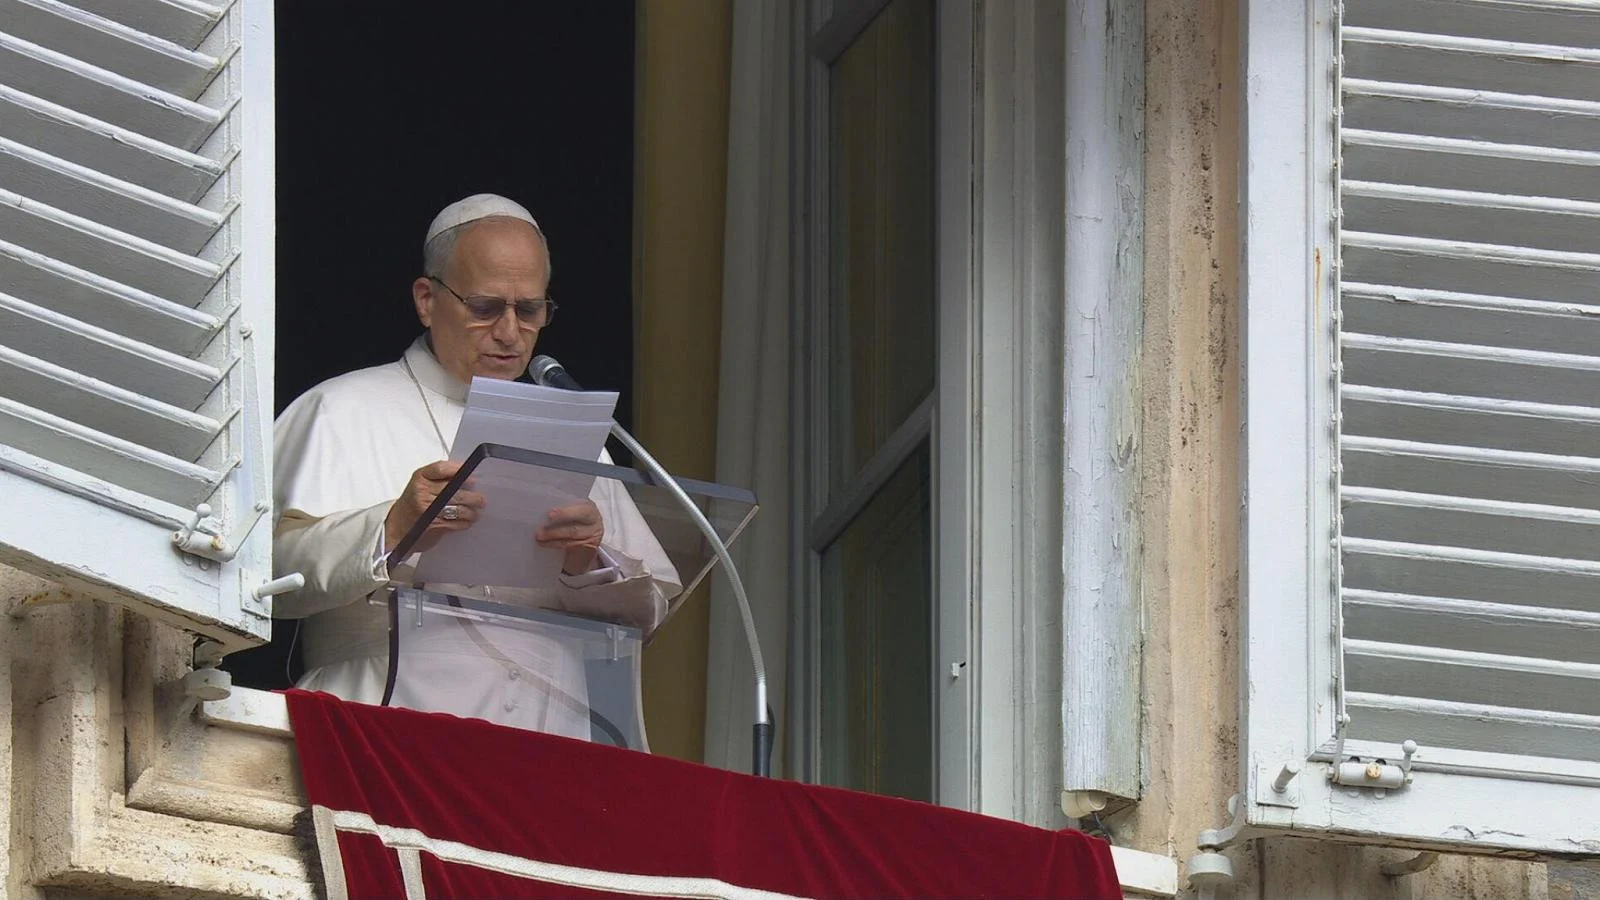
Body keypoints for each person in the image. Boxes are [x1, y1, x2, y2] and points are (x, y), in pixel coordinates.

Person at [272, 193, 679, 739]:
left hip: (551, 741)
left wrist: (588, 560)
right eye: (485, 308)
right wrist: (392, 527)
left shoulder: (578, 440)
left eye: (529, 310)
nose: (510, 333)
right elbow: (265, 576)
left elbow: (646, 611)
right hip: (382, 723)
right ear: (426, 299)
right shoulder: (339, 408)